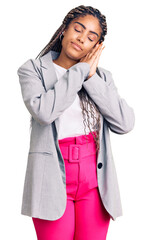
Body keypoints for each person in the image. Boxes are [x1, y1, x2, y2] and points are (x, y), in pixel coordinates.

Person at [17, 5, 135, 240]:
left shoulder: (102, 78)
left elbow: (125, 123)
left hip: (94, 180)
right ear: (64, 30)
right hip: (51, 178)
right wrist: (80, 71)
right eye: (78, 29)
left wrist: (90, 77)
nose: (82, 39)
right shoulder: (32, 70)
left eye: (91, 37)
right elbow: (44, 112)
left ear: (96, 47)